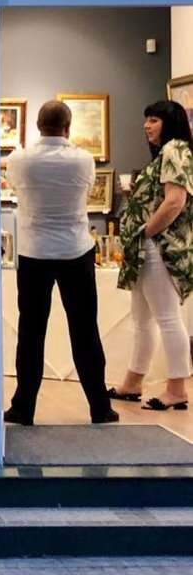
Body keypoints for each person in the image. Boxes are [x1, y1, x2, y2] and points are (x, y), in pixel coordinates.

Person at [4, 100, 117, 426]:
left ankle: (23, 407)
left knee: (31, 332)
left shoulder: (20, 159)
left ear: (37, 126)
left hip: (34, 251)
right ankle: (100, 407)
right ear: (68, 127)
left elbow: (13, 185)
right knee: (85, 331)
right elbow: (87, 190)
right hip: (75, 251)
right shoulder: (83, 160)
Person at [110, 100, 193, 411]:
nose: (147, 126)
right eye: (146, 119)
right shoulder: (165, 154)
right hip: (147, 248)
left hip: (161, 247)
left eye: (154, 120)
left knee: (167, 318)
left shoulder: (175, 149)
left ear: (170, 123)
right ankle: (133, 382)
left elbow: (175, 201)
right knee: (143, 320)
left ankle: (177, 389)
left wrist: (146, 231)